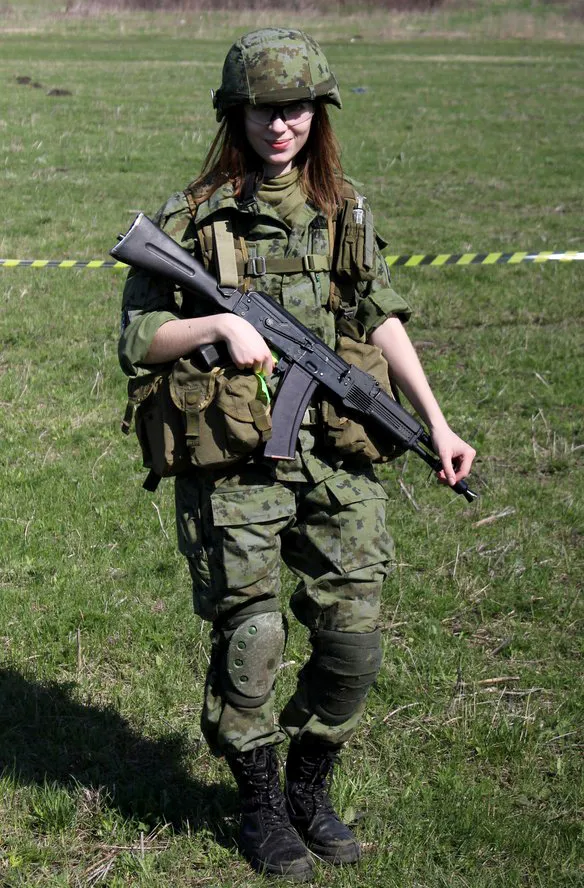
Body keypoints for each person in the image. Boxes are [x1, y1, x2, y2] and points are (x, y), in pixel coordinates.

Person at [118, 28, 475, 881]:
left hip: (337, 461)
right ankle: (259, 804)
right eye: (264, 111)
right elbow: (138, 338)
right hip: (237, 463)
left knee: (354, 643)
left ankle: (309, 787)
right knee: (254, 637)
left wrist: (437, 424)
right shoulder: (193, 217)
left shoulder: (343, 207)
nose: (281, 126)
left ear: (319, 113)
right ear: (235, 114)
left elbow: (381, 318)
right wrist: (220, 323)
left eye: (297, 109)